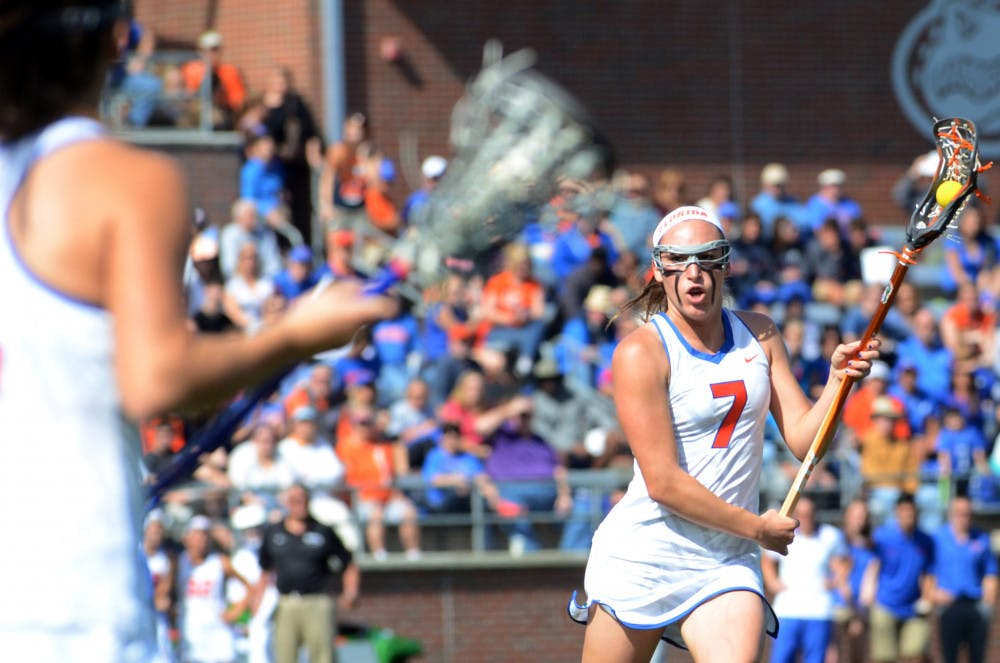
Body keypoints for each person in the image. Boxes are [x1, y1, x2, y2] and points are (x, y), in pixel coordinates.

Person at [0, 9, 397, 658]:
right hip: (71, 605)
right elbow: (159, 379)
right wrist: (298, 332)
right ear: (115, 43)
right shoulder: (125, 179)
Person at [568, 205, 880, 662]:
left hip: (725, 559)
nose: (694, 273)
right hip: (646, 554)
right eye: (678, 260)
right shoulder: (641, 353)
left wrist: (837, 384)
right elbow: (663, 483)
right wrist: (757, 528)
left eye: (707, 258)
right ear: (658, 270)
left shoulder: (761, 333)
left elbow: (802, 441)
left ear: (726, 264)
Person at [253, 483, 360, 663]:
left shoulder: (323, 531)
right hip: (286, 602)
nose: (298, 505)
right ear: (286, 503)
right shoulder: (274, 533)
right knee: (285, 654)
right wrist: (257, 602)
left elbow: (348, 563)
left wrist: (350, 591)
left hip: (316, 601)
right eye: (294, 501)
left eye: (302, 500)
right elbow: (265, 570)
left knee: (322, 655)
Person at [761, 496, 850, 663]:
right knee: (781, 658)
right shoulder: (784, 535)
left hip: (819, 610)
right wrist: (773, 582)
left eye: (809, 513)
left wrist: (835, 581)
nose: (805, 517)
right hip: (788, 609)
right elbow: (767, 560)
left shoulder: (829, 535)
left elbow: (845, 562)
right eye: (801, 513)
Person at [861, 493, 935, 663]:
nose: (909, 515)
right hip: (886, 604)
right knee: (885, 657)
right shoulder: (884, 536)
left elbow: (929, 573)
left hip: (913, 607)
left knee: (915, 652)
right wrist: (864, 525)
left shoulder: (925, 541)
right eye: (905, 511)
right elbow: (868, 545)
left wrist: (928, 598)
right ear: (897, 512)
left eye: (912, 511)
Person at [930, 495, 998, 663]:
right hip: (949, 606)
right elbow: (928, 572)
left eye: (968, 514)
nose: (964, 518)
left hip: (974, 605)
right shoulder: (938, 538)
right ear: (951, 514)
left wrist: (988, 604)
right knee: (949, 656)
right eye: (960, 514)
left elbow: (990, 573)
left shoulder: (981, 539)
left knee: (977, 656)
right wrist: (933, 594)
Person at [176, 515, 250, 663]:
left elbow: (250, 587)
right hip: (191, 632)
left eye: (204, 536)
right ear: (187, 539)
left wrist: (235, 611)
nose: (200, 541)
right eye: (196, 536)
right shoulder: (179, 562)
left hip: (217, 632)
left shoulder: (220, 562)